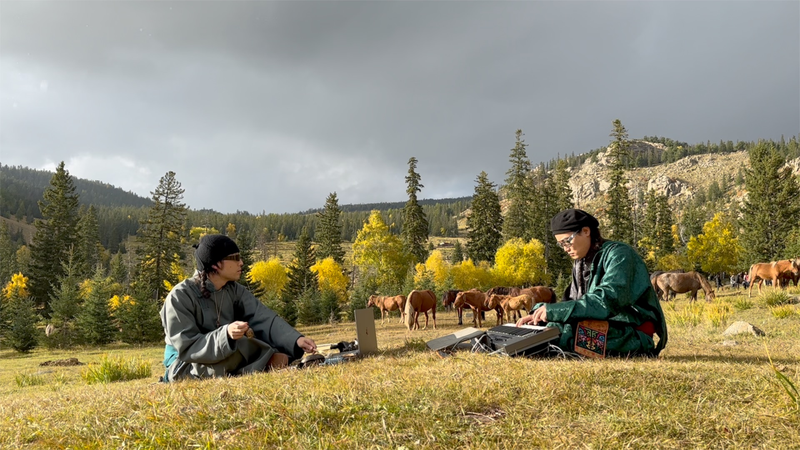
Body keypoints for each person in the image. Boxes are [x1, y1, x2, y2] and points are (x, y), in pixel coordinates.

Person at [160, 234, 317, 381]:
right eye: (235, 258)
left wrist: (295, 340)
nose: (241, 263)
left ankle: (265, 361)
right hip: (185, 361)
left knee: (249, 343)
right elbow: (187, 346)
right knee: (241, 346)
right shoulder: (180, 296)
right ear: (215, 264)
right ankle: (264, 363)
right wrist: (225, 335)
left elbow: (262, 317)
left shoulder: (233, 289)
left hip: (224, 353)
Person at [517, 209, 667, 358]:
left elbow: (607, 300)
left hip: (631, 333)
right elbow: (572, 303)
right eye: (560, 244)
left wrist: (555, 312)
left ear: (586, 231)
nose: (565, 248)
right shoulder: (580, 262)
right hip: (600, 327)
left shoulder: (620, 254)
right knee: (545, 329)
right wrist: (538, 314)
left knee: (562, 335)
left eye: (567, 241)